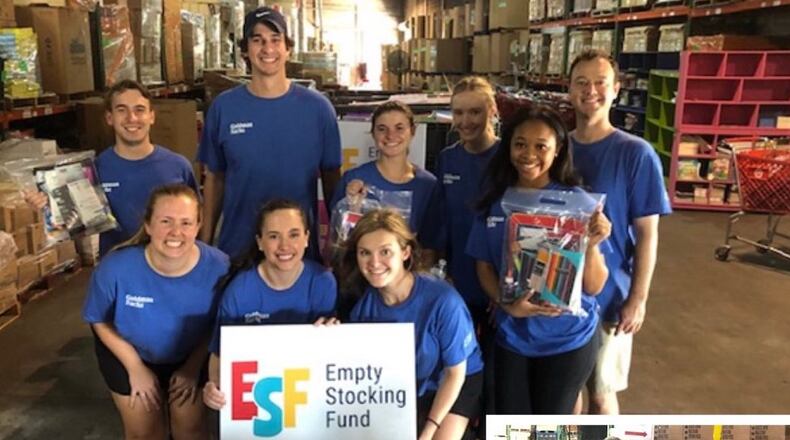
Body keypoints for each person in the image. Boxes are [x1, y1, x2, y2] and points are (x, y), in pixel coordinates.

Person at [465, 106, 611, 414]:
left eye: (541, 146)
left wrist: (592, 244)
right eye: (520, 144)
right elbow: (484, 268)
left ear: (558, 150)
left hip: (568, 338)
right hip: (513, 335)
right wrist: (507, 305)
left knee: (550, 427)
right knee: (512, 426)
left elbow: (594, 287)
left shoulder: (579, 204)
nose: (528, 153)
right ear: (508, 148)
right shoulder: (495, 203)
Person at [568, 50, 672, 414]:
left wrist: (638, 298)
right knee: (567, 396)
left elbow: (647, 234)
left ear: (615, 89)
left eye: (599, 82)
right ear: (569, 89)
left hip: (610, 296)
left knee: (600, 393)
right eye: (581, 82)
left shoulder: (636, 154)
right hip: (558, 292)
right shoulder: (555, 148)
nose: (590, 90)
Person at [82, 184, 229, 439]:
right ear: (148, 225)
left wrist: (192, 368)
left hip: (192, 354)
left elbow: (219, 325)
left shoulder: (220, 267)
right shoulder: (115, 267)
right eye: (165, 221)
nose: (176, 232)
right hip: (128, 351)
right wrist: (135, 367)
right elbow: (98, 320)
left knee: (189, 427)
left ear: (198, 226)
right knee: (145, 431)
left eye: (186, 222)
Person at [198, 6, 341, 260]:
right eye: (257, 40)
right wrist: (205, 245)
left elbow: (331, 180)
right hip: (237, 250)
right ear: (245, 50)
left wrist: (339, 248)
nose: (268, 49)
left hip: (296, 256)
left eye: (276, 40)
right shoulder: (224, 108)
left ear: (288, 48)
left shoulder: (318, 109)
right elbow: (215, 179)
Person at [341, 209, 483, 440]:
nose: (374, 262)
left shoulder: (444, 301)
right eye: (365, 253)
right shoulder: (360, 304)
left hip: (452, 381)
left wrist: (427, 432)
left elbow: (455, 374)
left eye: (385, 252)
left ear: (405, 252)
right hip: (401, 388)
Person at [26, 80, 199, 256]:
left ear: (151, 116)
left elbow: (195, 220)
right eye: (121, 110)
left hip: (171, 266)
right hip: (117, 271)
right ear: (110, 118)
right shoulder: (93, 171)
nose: (131, 118)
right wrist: (47, 208)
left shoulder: (178, 166)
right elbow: (72, 226)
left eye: (139, 110)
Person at [201, 199, 338, 410]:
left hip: (308, 388)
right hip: (260, 392)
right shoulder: (240, 291)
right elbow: (220, 352)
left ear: (307, 239)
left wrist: (335, 333)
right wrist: (214, 388)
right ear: (260, 242)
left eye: (293, 235)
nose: (284, 246)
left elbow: (331, 353)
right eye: (274, 236)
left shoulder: (322, 282)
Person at [330, 100, 441, 256]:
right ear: (373, 133)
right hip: (362, 274)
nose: (390, 135)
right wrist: (353, 208)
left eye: (399, 128)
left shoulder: (428, 185)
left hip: (409, 275)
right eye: (382, 129)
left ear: (412, 131)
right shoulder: (354, 180)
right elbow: (341, 240)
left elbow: (431, 245)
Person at [436, 76, 500, 324]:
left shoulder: (508, 160)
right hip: (458, 277)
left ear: (492, 111)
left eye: (475, 112)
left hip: (496, 284)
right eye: (458, 112)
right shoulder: (447, 159)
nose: (465, 121)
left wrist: (502, 291)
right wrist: (442, 274)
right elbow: (441, 221)